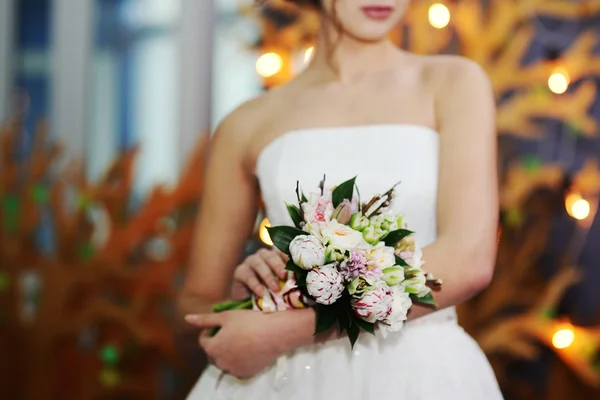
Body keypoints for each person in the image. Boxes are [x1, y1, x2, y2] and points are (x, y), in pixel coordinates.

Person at [177, 0, 503, 398]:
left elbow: (468, 261)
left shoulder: (453, 83)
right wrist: (242, 298)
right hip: (280, 381)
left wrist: (284, 331)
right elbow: (196, 301)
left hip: (417, 375)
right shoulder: (247, 122)